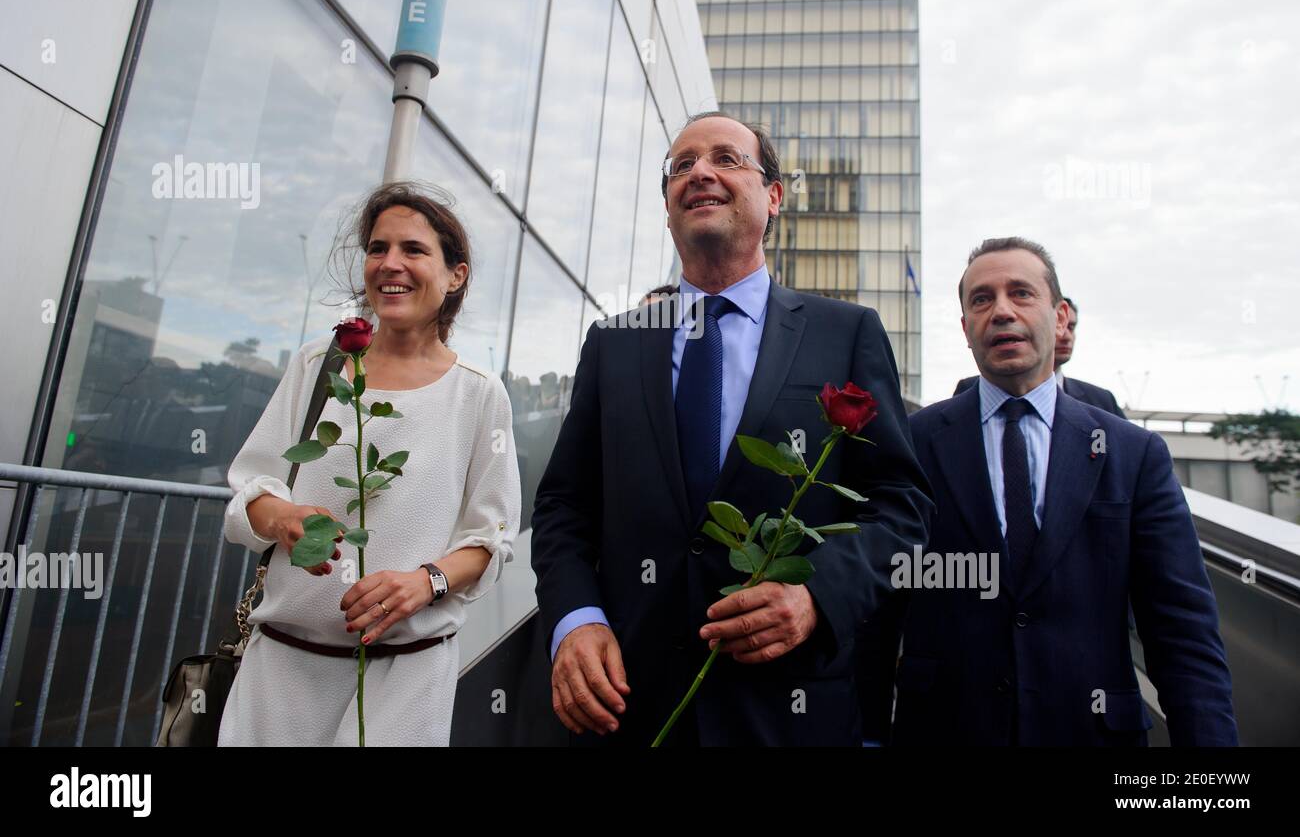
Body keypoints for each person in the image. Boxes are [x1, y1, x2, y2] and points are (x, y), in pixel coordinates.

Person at [530, 111, 932, 746]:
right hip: (628, 706)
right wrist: (575, 619)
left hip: (785, 709)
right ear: (668, 207)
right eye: (682, 166)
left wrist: (816, 597)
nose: (700, 174)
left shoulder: (847, 332)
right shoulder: (613, 343)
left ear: (773, 196)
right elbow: (563, 505)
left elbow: (902, 506)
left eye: (725, 159)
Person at [870, 237, 1236, 745]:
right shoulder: (914, 442)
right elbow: (879, 605)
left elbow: (1182, 630)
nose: (1000, 311)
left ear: (1060, 317)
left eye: (1021, 294)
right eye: (981, 299)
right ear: (965, 329)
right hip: (944, 730)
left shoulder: (1133, 454)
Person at [218, 182, 521, 746]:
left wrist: (425, 582)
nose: (390, 264)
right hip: (281, 673)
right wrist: (281, 518)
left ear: (456, 276)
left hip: (404, 678)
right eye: (378, 249)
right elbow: (247, 495)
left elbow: (490, 538)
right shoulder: (318, 365)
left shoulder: (479, 395)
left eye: (413, 249)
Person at [955, 297, 1124, 417]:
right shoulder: (969, 389)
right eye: (1059, 325)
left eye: (1071, 327)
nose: (1066, 336)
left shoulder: (1101, 401)